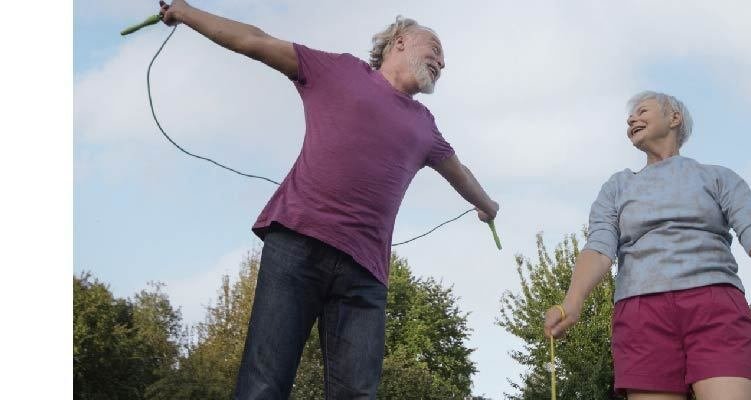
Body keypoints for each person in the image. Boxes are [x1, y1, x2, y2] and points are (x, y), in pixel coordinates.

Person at [158, 1, 500, 398]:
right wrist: (185, 12)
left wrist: (487, 205)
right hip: (297, 245)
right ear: (401, 41)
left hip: (365, 275)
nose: (442, 62)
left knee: (357, 393)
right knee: (264, 383)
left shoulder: (425, 126)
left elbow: (460, 173)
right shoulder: (338, 70)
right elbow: (255, 41)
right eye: (435, 49)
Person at [543, 90, 751, 400]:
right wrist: (573, 301)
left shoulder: (718, 178)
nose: (631, 119)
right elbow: (599, 248)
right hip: (641, 314)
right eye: (629, 116)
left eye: (642, 111)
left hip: (716, 307)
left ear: (674, 118)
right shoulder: (617, 187)